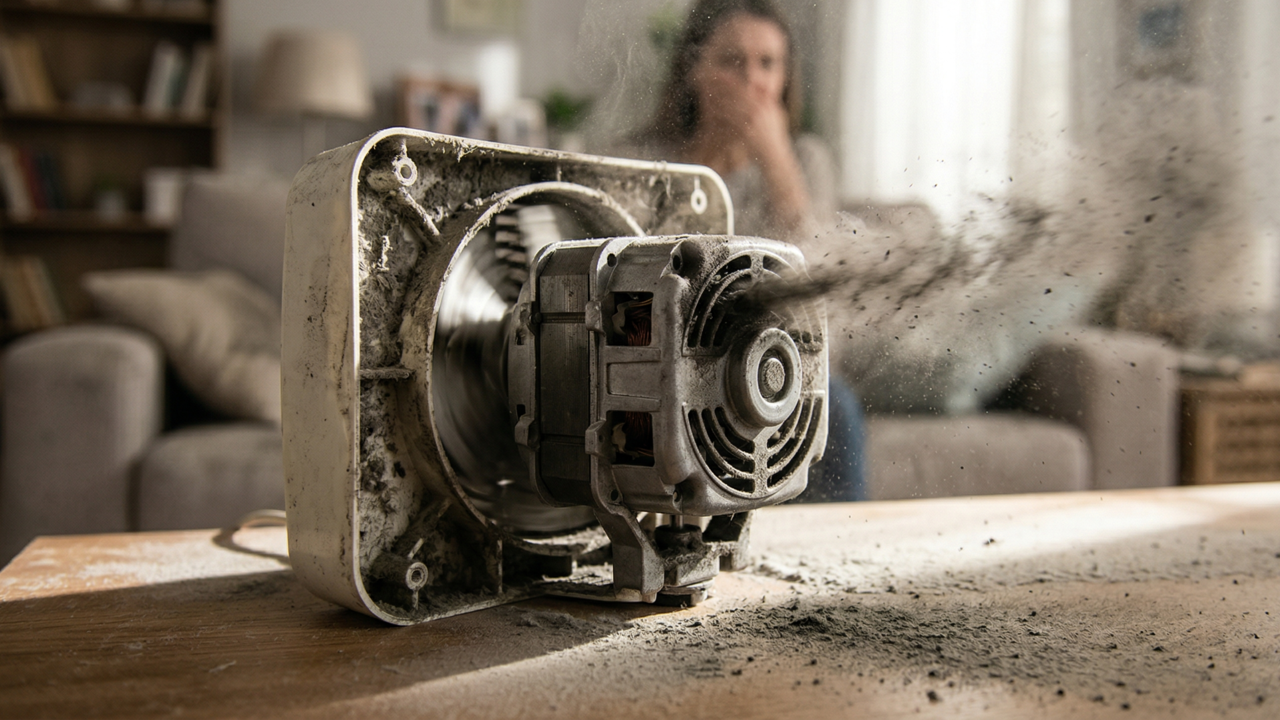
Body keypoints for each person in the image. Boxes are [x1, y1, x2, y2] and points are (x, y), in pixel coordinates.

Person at [620, 0, 863, 501]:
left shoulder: (807, 160)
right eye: (732, 61)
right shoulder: (639, 159)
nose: (751, 80)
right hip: (669, 359)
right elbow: (630, 273)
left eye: (767, 64)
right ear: (694, 70)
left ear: (785, 79)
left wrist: (777, 163)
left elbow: (818, 291)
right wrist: (706, 157)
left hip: (770, 359)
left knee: (835, 405)